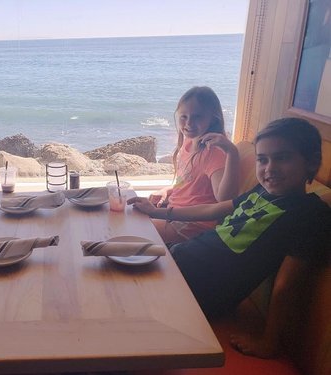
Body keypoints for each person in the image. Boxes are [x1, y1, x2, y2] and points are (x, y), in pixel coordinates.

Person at [128, 117, 331, 359]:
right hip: (178, 260)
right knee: (106, 261)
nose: (270, 168)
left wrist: (269, 342)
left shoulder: (310, 213)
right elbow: (213, 209)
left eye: (283, 158)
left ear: (312, 162)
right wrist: (157, 212)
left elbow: (285, 286)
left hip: (198, 289)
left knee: (115, 295)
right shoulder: (263, 191)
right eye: (262, 159)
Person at [150, 86, 240, 243]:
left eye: (197, 117)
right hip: (175, 213)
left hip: (192, 225)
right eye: (184, 117)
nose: (189, 123)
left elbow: (224, 199)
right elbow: (190, 183)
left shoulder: (214, 152)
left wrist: (232, 152)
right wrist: (167, 191)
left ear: (213, 119)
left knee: (133, 228)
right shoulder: (189, 143)